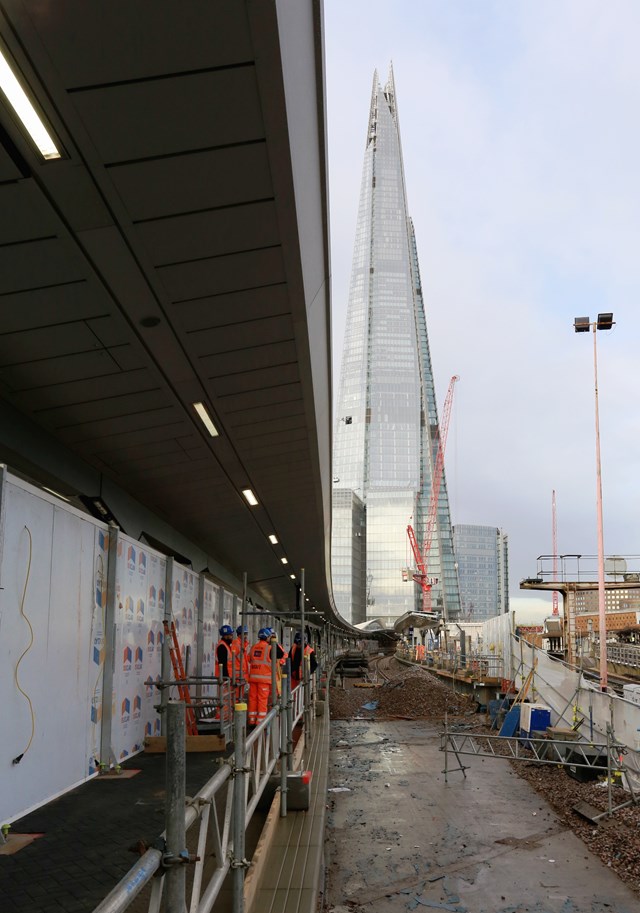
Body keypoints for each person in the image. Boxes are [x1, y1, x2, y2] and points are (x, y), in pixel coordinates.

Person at [247, 628, 273, 726]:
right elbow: (280, 656)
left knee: (252, 698)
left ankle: (252, 720)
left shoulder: (254, 647)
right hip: (264, 679)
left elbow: (249, 659)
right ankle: (260, 723)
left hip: (253, 678)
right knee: (262, 700)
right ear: (267, 637)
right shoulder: (269, 648)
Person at [231, 625, 249, 698]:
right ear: (239, 634)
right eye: (244, 634)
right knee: (236, 696)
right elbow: (232, 659)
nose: (246, 636)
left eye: (246, 634)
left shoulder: (242, 644)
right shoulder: (236, 644)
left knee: (239, 695)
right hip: (237, 674)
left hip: (241, 674)